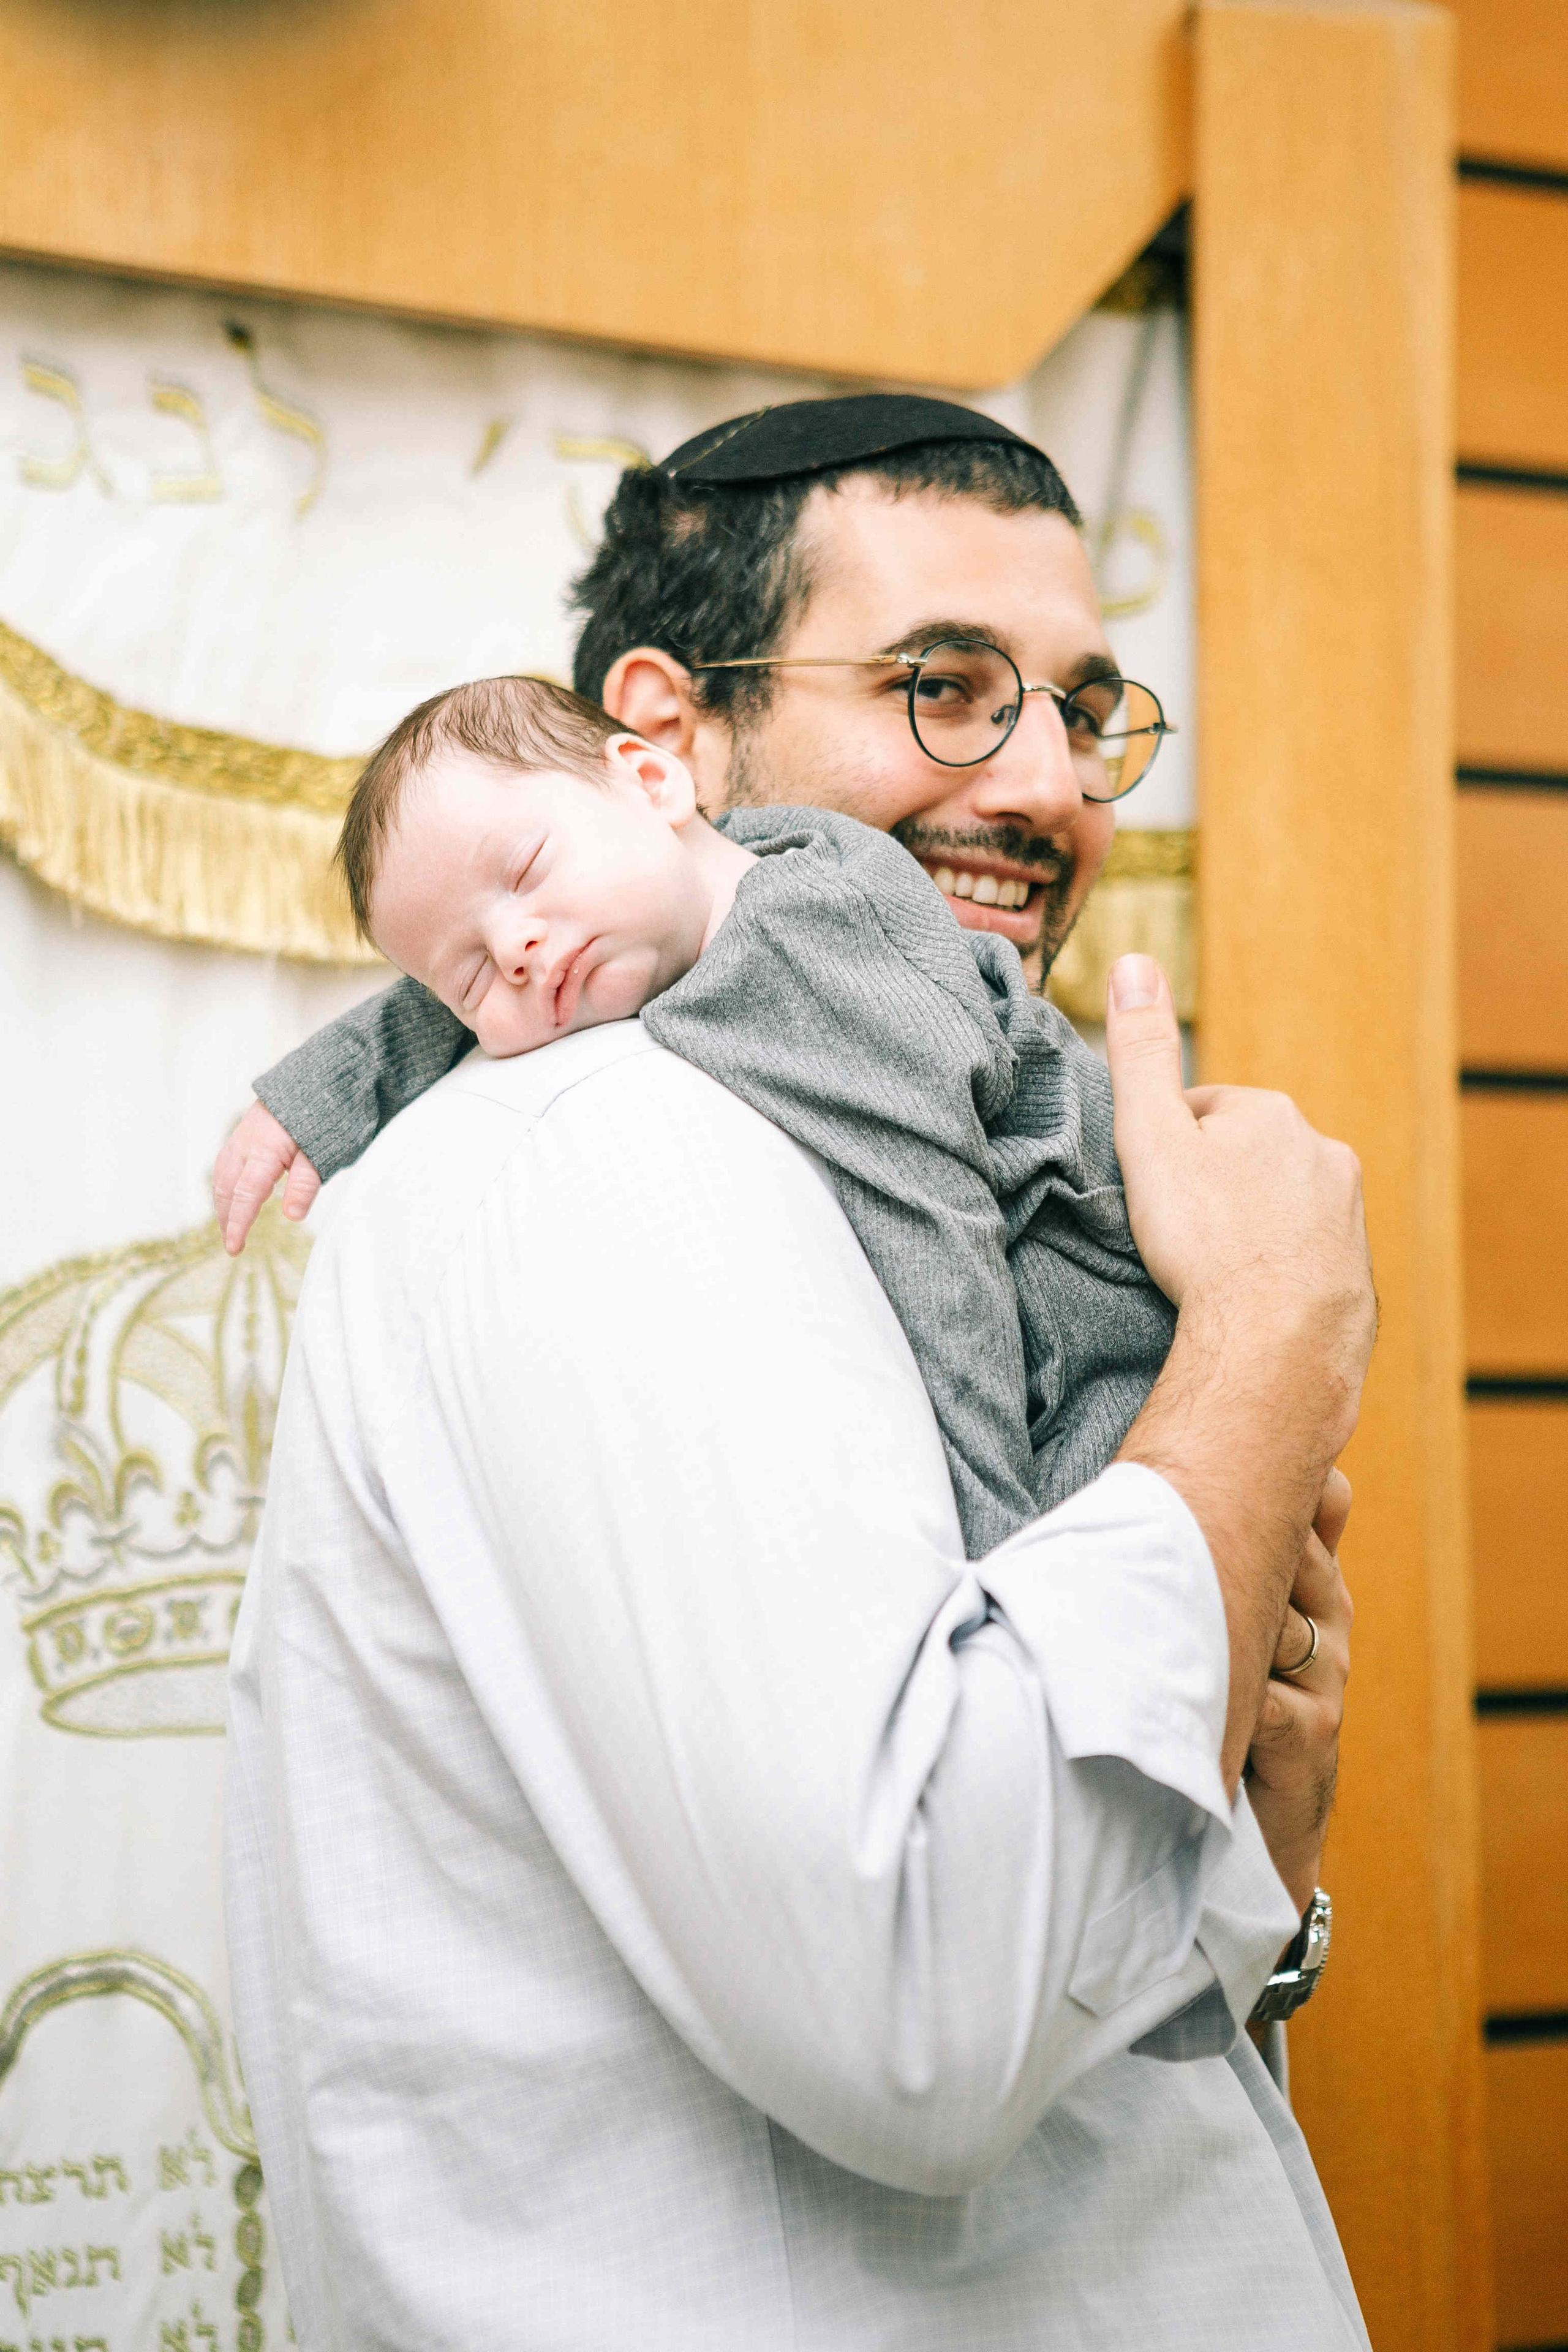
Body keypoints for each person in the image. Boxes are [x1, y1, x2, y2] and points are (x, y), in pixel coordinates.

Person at [223, 396, 1375, 2348]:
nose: (1043, 783)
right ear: (661, 746)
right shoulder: (614, 1146)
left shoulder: (866, 1085)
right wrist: (1265, 1345)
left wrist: (1255, 1849)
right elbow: (927, 1999)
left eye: (1081, 712)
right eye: (943, 687)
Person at [222, 666, 1178, 1553]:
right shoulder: (686, 888)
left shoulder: (808, 948)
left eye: (525, 873)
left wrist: (990, 1546)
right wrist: (314, 1101)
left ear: (651, 781)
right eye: (470, 976)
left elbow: (934, 1230)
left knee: (1101, 1570)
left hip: (1093, 1309)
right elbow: (453, 976)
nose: (514, 944)